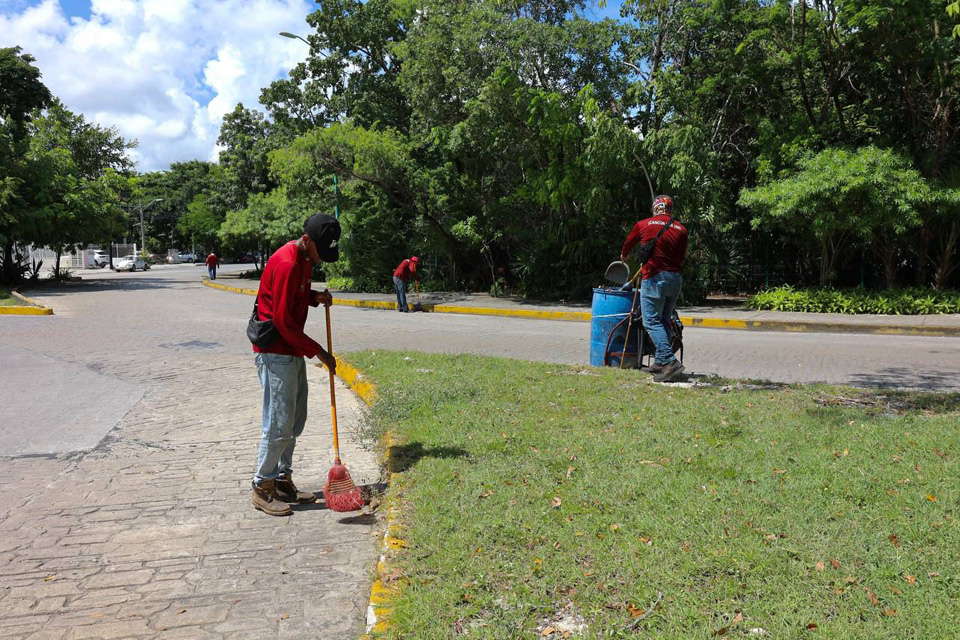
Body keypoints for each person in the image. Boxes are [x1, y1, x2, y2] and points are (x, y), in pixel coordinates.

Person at [250, 213, 340, 516]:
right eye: (320, 251)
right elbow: (284, 322)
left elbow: (292, 299)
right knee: (279, 420)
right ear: (306, 240)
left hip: (290, 348)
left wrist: (315, 297)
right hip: (275, 348)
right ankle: (263, 486)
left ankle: (282, 480)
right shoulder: (288, 262)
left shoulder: (304, 260)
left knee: (295, 419)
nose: (320, 259)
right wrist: (320, 353)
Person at [620, 195, 689, 382]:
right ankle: (659, 363)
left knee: (651, 321)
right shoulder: (681, 229)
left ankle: (669, 360)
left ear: (655, 208)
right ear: (670, 209)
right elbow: (682, 258)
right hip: (675, 279)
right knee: (665, 320)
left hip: (654, 278)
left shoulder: (643, 224)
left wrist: (624, 256)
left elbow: (628, 245)